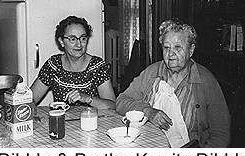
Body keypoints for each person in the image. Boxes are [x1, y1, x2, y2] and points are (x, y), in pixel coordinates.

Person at [116, 18, 230, 147]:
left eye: (178, 47)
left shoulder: (205, 81)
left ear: (191, 50)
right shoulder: (152, 72)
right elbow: (121, 101)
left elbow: (221, 134)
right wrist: (148, 111)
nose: (171, 54)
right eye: (166, 47)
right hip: (148, 145)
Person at [31, 16, 116, 109]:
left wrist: (87, 98)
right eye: (72, 39)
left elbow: (112, 106)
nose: (79, 44)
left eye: (83, 38)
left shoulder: (97, 66)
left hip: (90, 120)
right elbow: (30, 100)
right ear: (61, 41)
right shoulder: (53, 65)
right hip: (62, 121)